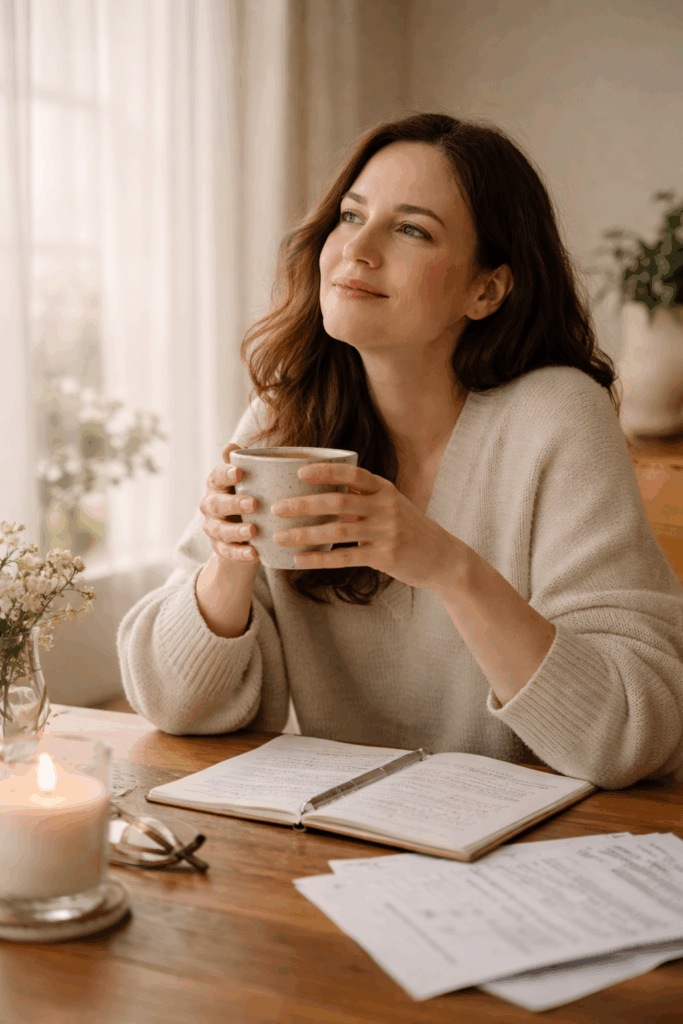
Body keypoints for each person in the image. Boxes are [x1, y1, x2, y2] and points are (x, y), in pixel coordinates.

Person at [118, 113, 683, 789]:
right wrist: (229, 556)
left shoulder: (556, 417)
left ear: (487, 289)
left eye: (411, 229)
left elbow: (627, 734)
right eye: (351, 216)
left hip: (535, 852)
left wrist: (445, 564)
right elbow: (174, 705)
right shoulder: (287, 413)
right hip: (343, 841)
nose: (358, 249)